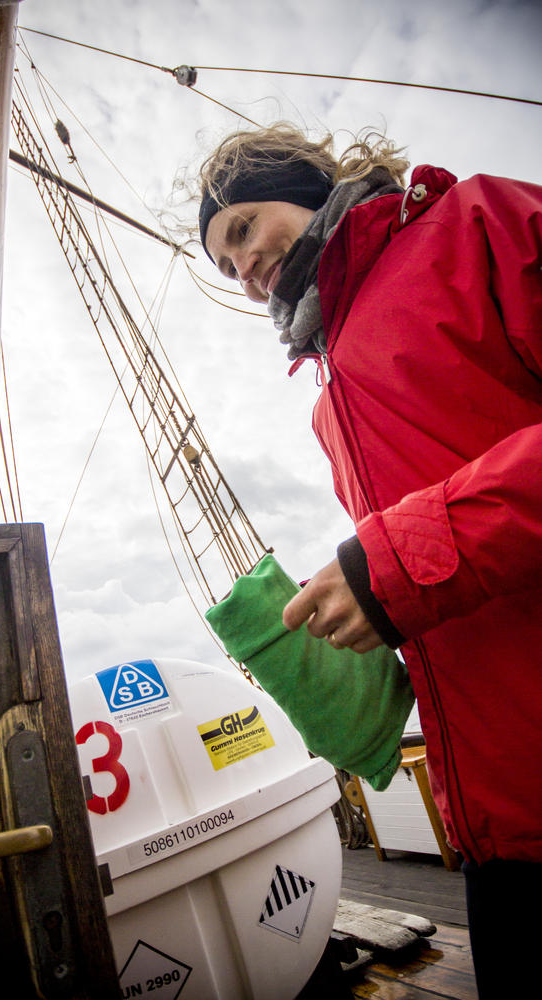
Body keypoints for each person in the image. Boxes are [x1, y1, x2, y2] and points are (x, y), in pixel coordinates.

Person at [195, 122, 542, 999]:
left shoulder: (477, 225)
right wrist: (363, 610)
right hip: (496, 816)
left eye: (241, 230)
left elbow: (417, 549)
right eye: (222, 266)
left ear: (307, 186)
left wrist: (389, 567)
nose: (241, 270)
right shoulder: (327, 399)